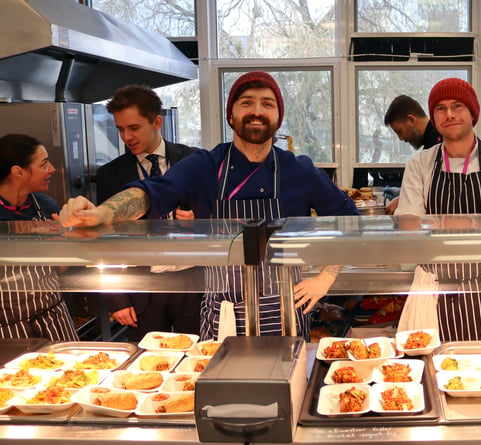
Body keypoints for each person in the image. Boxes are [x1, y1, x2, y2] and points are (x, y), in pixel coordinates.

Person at [56, 71, 360, 341]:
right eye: (246, 103)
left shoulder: (299, 170)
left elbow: (349, 219)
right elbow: (149, 193)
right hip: (222, 311)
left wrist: (326, 278)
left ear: (278, 118)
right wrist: (102, 213)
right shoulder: (203, 165)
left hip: (283, 310)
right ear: (231, 116)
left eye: (267, 104)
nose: (257, 111)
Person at [395, 78, 481, 342]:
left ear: (472, 112)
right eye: (441, 109)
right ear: (433, 118)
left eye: (458, 106)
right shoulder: (419, 164)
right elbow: (409, 225)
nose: (450, 114)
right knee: (430, 369)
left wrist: (432, 222)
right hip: (431, 285)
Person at [96, 85, 202, 342]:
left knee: (201, 358)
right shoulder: (110, 175)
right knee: (147, 362)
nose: (126, 137)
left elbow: (222, 216)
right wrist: (117, 299)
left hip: (195, 281)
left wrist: (199, 218)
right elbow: (105, 243)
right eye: (120, 129)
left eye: (134, 128)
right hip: (142, 287)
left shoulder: (195, 160)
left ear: (157, 122)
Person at [0, 133, 79, 341]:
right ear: (18, 171)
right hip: (7, 325)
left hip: (53, 316)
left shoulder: (46, 205)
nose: (52, 169)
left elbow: (60, 268)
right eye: (44, 164)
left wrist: (64, 247)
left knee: (75, 372)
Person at [383, 95, 442, 214]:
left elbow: (437, 191)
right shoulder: (429, 145)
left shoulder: (437, 144)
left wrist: (402, 201)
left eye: (399, 131)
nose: (400, 138)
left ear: (411, 120)